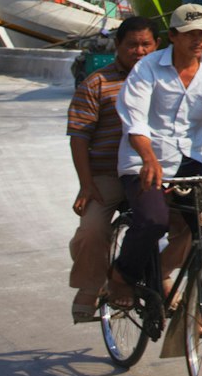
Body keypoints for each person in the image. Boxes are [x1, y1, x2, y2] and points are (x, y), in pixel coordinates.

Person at [111, 3, 202, 306]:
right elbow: (134, 119)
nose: (198, 40)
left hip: (190, 158)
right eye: (190, 34)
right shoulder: (147, 69)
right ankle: (122, 275)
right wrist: (148, 159)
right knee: (153, 219)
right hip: (144, 158)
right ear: (173, 36)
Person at [67, 17, 160, 323]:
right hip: (107, 174)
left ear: (157, 45)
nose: (139, 51)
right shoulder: (96, 83)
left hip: (149, 170)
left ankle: (166, 276)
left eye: (146, 44)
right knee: (92, 230)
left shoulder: (163, 81)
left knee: (189, 223)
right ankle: (91, 286)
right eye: (132, 45)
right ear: (117, 46)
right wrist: (86, 184)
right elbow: (79, 136)